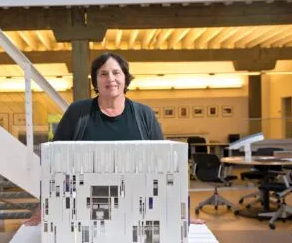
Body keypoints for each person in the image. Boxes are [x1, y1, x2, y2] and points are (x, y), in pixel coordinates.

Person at [24, 52, 204, 225]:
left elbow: (164, 167)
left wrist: (179, 213)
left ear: (125, 78)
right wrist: (44, 206)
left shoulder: (144, 114)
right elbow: (54, 161)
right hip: (85, 207)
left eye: (116, 72)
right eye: (103, 73)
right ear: (95, 80)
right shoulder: (78, 112)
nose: (110, 78)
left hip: (136, 206)